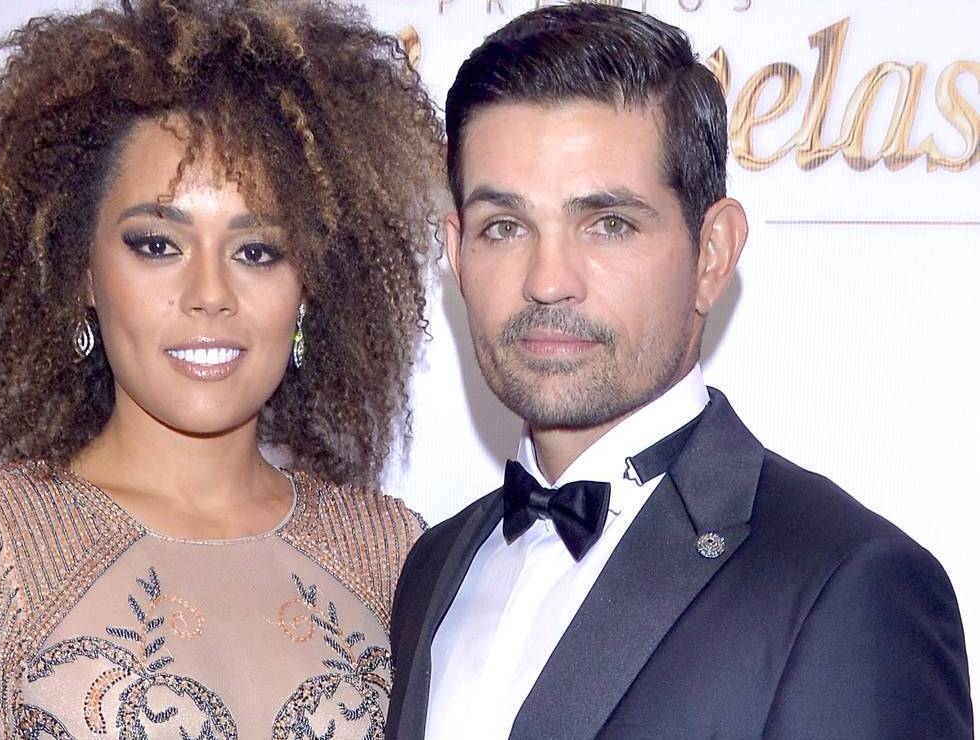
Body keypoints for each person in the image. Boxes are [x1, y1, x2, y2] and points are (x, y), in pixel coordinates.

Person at [386, 5, 972, 739]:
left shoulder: (848, 584)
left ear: (713, 254)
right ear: (456, 252)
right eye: (504, 227)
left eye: (609, 225)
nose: (547, 280)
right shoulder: (432, 568)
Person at [0, 1, 443, 737]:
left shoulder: (389, 551)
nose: (209, 294)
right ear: (81, 271)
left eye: (257, 251)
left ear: (309, 285)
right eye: (156, 245)